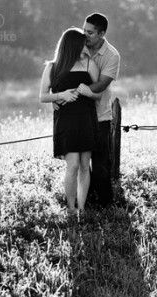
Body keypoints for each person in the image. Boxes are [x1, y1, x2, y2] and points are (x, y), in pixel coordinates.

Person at [56, 12, 121, 208]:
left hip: (99, 116)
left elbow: (101, 84)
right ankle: (85, 202)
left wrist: (72, 93)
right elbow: (61, 76)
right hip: (75, 117)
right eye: (84, 30)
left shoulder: (111, 56)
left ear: (102, 34)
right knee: (79, 164)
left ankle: (106, 205)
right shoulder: (76, 48)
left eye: (90, 33)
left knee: (100, 164)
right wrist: (58, 96)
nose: (85, 35)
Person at [39, 27, 102, 218]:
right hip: (66, 122)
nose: (86, 46)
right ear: (73, 45)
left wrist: (88, 92)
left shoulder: (89, 64)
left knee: (84, 165)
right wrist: (62, 95)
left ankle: (82, 208)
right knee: (72, 165)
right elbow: (43, 96)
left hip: (86, 119)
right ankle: (70, 208)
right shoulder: (52, 67)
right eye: (83, 43)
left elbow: (98, 94)